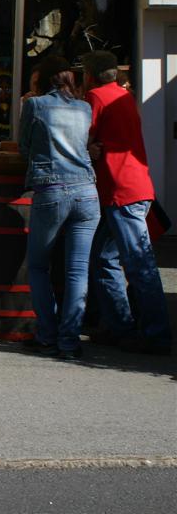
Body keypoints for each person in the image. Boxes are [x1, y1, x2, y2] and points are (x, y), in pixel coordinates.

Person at [84, 51, 171, 355]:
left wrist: (90, 147)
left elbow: (83, 136)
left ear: (88, 75)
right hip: (132, 187)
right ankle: (121, 326)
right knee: (107, 258)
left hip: (119, 189)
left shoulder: (96, 96)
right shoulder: (124, 96)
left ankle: (153, 334)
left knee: (135, 263)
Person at [19, 56, 99, 360]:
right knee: (77, 270)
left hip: (52, 191)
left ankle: (47, 335)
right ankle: (69, 341)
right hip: (87, 191)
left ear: (45, 79)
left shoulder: (36, 105)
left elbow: (25, 146)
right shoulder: (84, 108)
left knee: (39, 266)